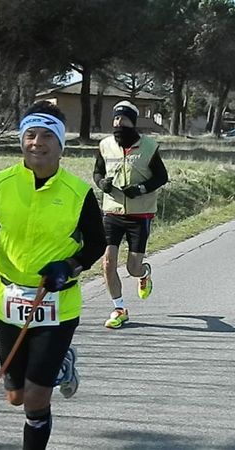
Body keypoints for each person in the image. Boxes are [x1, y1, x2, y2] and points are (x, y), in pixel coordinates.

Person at [0, 102, 106, 450]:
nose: (37, 143)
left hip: (57, 302)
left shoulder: (77, 192)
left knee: (36, 399)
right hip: (10, 300)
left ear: (60, 144)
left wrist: (69, 266)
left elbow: (97, 243)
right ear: (21, 140)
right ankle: (63, 365)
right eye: (30, 135)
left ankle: (55, 368)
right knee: (15, 396)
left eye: (46, 136)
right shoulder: (0, 183)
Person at [93, 100, 168, 329]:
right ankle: (119, 308)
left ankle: (144, 273)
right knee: (107, 263)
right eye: (115, 119)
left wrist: (141, 189)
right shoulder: (105, 145)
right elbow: (97, 172)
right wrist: (101, 184)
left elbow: (161, 177)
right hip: (112, 211)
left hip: (140, 214)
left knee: (132, 268)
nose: (118, 123)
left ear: (132, 123)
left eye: (123, 119)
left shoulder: (149, 147)